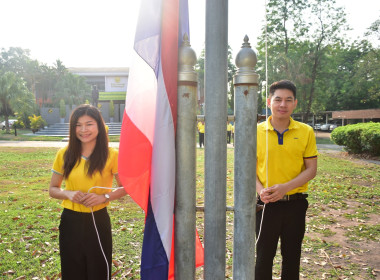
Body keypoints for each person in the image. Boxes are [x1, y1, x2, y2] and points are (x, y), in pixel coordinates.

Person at [49, 104, 126, 280]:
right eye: (78, 125)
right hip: (70, 220)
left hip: (98, 220)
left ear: (99, 125)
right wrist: (67, 193)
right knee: (72, 270)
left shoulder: (111, 155)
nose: (83, 130)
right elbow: (53, 189)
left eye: (89, 124)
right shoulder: (64, 154)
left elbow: (124, 187)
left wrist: (103, 197)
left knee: (99, 270)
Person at [255, 80, 318, 280]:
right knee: (263, 257)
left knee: (292, 257)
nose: (283, 105)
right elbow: (246, 169)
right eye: (278, 99)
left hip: (295, 205)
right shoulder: (255, 132)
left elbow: (311, 169)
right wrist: (259, 190)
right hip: (265, 206)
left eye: (288, 100)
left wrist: (285, 188)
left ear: (295, 103)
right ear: (269, 101)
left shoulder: (306, 131)